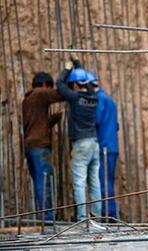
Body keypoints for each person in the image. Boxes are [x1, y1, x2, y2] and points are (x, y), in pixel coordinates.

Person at [56, 57, 102, 222]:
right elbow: (87, 83)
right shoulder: (94, 98)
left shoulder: (75, 98)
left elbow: (59, 85)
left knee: (80, 183)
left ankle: (83, 218)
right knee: (95, 182)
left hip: (81, 144)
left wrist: (68, 68)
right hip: (94, 143)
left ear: (75, 85)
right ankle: (96, 217)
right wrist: (78, 64)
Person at [23, 72, 64, 220]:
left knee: (39, 182)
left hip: (29, 146)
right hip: (40, 146)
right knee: (44, 182)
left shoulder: (27, 99)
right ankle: (46, 218)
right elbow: (61, 95)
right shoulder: (40, 93)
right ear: (45, 85)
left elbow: (36, 124)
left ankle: (43, 216)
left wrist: (52, 120)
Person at [87, 72, 119, 219]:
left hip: (104, 147)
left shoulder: (99, 99)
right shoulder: (109, 99)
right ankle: (109, 214)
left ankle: (109, 215)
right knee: (108, 180)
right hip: (112, 146)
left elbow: (96, 119)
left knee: (103, 182)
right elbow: (116, 125)